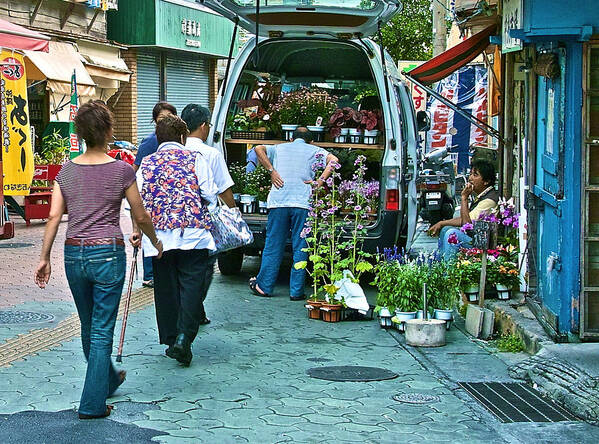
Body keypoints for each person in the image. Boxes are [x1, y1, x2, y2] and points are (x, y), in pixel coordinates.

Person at [34, 101, 163, 420]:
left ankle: (106, 377)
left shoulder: (66, 171)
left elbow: (53, 217)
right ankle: (92, 403)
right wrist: (155, 242)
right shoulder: (122, 170)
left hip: (74, 253)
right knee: (102, 327)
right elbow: (140, 213)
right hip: (107, 254)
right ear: (108, 132)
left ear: (80, 134)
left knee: (90, 323)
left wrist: (44, 257)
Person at [134, 115, 218, 366]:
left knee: (166, 288)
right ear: (182, 137)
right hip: (193, 234)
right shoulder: (196, 159)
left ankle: (172, 339)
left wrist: (138, 231)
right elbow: (210, 194)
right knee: (192, 286)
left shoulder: (147, 163)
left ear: (158, 139)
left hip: (158, 238)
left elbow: (137, 202)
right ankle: (184, 337)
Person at [248, 127, 338, 300]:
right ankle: (296, 291)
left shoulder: (280, 147)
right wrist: (320, 181)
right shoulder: (316, 150)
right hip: (302, 203)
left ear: (291, 138)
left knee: (274, 244)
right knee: (301, 246)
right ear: (310, 141)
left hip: (279, 202)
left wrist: (271, 171)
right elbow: (334, 160)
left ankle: (264, 286)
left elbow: (258, 148)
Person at [133, 101, 177, 288]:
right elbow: (135, 170)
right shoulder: (149, 142)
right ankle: (149, 274)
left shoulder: (180, 141)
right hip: (152, 197)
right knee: (149, 227)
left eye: (168, 118)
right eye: (160, 120)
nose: (164, 123)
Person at [428, 158, 499, 260]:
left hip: (483, 245)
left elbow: (467, 225)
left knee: (451, 234)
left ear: (486, 181)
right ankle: (441, 267)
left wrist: (464, 198)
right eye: (470, 174)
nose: (470, 178)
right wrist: (441, 223)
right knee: (445, 229)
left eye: (475, 175)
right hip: (475, 238)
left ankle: (449, 272)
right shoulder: (482, 196)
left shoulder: (489, 200)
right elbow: (467, 218)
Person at [180, 104, 236, 208]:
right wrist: (234, 213)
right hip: (205, 216)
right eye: (209, 125)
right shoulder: (212, 154)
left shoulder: (174, 152)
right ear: (203, 126)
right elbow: (223, 190)